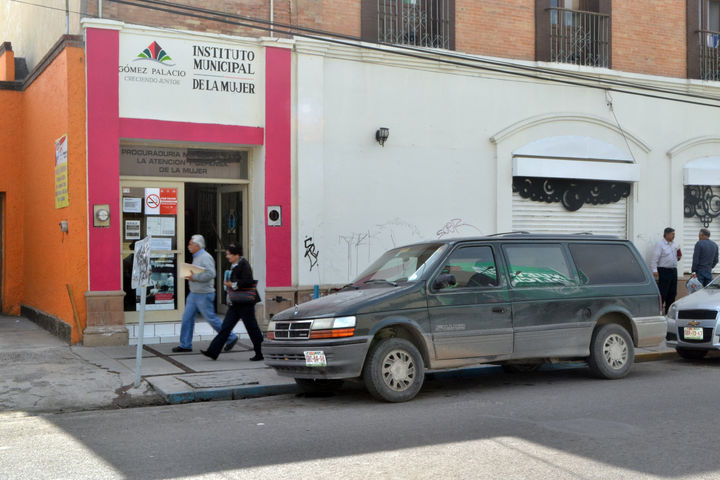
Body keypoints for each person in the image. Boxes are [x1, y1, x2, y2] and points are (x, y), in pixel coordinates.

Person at [172, 235, 238, 353]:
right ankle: (185, 344)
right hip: (194, 293)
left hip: (204, 294)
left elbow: (211, 274)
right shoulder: (197, 256)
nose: (188, 246)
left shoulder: (205, 257)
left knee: (211, 319)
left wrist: (194, 277)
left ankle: (231, 337)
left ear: (197, 245)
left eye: (191, 244)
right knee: (187, 318)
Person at [201, 244, 263, 361]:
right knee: (226, 327)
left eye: (229, 254)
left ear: (236, 255)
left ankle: (260, 353)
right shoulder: (235, 264)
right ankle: (212, 351)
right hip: (236, 302)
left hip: (245, 303)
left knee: (252, 328)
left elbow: (248, 281)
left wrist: (232, 284)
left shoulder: (244, 264)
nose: (227, 256)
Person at [650, 227, 681, 314]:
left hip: (673, 270)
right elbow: (654, 258)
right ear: (666, 234)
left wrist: (678, 257)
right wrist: (654, 270)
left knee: (672, 293)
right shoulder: (660, 244)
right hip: (664, 270)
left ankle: (668, 312)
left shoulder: (674, 244)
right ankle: (658, 311)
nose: (674, 236)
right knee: (663, 292)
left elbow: (676, 256)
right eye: (672, 234)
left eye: (674, 234)